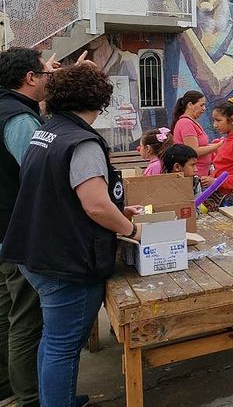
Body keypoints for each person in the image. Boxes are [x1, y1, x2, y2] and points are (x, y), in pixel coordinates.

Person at [0, 65, 145, 407]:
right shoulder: (83, 142)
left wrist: (117, 210)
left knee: (52, 341)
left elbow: (61, 192)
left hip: (34, 250)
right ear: (100, 101)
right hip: (64, 261)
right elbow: (95, 205)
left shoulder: (47, 132)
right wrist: (130, 229)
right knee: (63, 347)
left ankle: (54, 398)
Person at [0, 47, 49, 407]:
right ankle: (30, 395)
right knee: (26, 317)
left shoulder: (7, 109)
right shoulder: (19, 120)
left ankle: (8, 388)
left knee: (6, 313)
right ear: (30, 78)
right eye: (44, 73)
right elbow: (40, 178)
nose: (48, 79)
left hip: (3, 229)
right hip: (16, 234)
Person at [200, 97, 233, 206]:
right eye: (214, 120)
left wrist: (216, 182)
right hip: (226, 197)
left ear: (232, 120)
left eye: (218, 120)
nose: (215, 125)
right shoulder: (227, 140)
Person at [171, 91, 223, 177]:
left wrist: (214, 145)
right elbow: (193, 151)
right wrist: (218, 145)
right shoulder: (186, 123)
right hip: (194, 176)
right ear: (190, 105)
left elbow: (201, 146)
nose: (204, 108)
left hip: (201, 173)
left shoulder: (192, 122)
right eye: (201, 105)